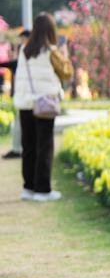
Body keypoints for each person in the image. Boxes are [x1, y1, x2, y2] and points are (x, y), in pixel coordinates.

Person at [13, 14, 70, 202]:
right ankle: (43, 190)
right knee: (44, 146)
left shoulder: (24, 50)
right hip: (44, 104)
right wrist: (64, 53)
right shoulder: (52, 51)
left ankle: (28, 188)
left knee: (28, 146)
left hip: (25, 104)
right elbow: (67, 73)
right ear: (51, 31)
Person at [1, 29, 31, 159]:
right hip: (24, 98)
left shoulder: (27, 55)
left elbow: (12, 63)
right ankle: (18, 149)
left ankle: (17, 149)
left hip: (25, 98)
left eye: (22, 39)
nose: (20, 43)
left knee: (21, 125)